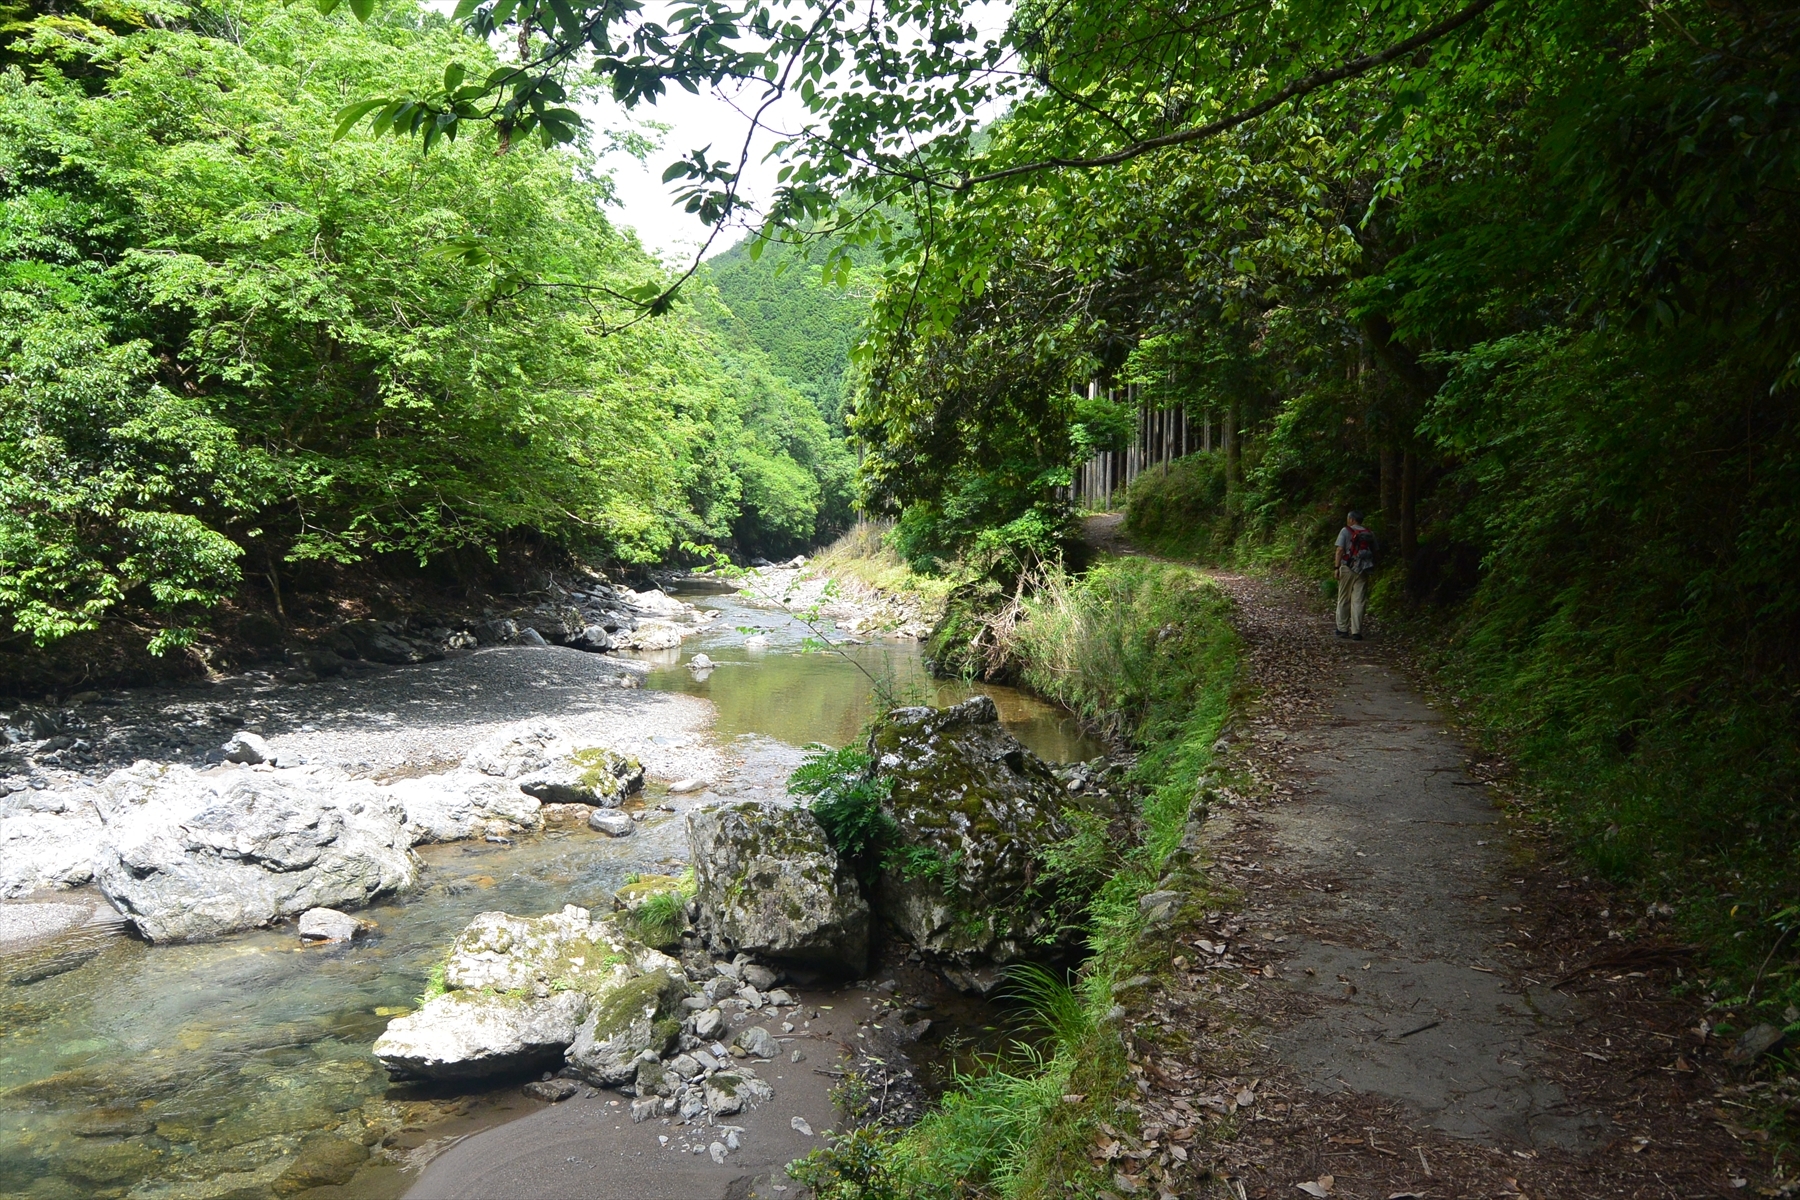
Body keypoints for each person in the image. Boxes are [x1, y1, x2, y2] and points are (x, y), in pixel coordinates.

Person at [1333, 511, 1376, 640]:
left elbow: (1340, 549)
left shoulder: (1345, 531)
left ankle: (1342, 629)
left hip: (1347, 568)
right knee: (1359, 601)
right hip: (1363, 569)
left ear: (1351, 519)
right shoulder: (1369, 533)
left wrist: (1336, 567)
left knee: (1343, 598)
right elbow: (1375, 551)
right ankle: (1356, 631)